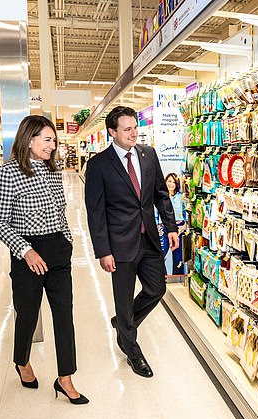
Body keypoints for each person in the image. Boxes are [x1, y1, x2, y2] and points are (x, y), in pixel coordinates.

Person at [0, 115, 88, 405]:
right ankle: (22, 361)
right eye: (47, 139)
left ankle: (65, 378)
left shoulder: (52, 170)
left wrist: (67, 239)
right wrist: (25, 250)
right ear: (29, 139)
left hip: (57, 250)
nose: (53, 145)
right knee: (28, 313)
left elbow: (60, 210)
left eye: (54, 140)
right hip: (27, 254)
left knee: (64, 314)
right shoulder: (8, 173)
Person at [85, 106, 178, 378]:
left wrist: (170, 226)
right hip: (119, 244)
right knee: (123, 299)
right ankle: (132, 350)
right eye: (127, 129)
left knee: (156, 288)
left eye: (135, 127)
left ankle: (124, 325)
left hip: (148, 238)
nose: (133, 133)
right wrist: (103, 250)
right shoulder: (99, 164)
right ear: (112, 132)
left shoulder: (148, 155)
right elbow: (96, 211)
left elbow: (161, 194)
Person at [165, 173, 188, 275]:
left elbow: (187, 212)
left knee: (178, 256)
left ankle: (177, 276)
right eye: (169, 181)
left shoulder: (180, 197)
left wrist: (185, 226)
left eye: (174, 182)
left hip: (179, 227)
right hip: (164, 227)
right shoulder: (161, 197)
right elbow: (156, 213)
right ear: (165, 182)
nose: (171, 184)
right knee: (161, 255)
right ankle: (162, 277)